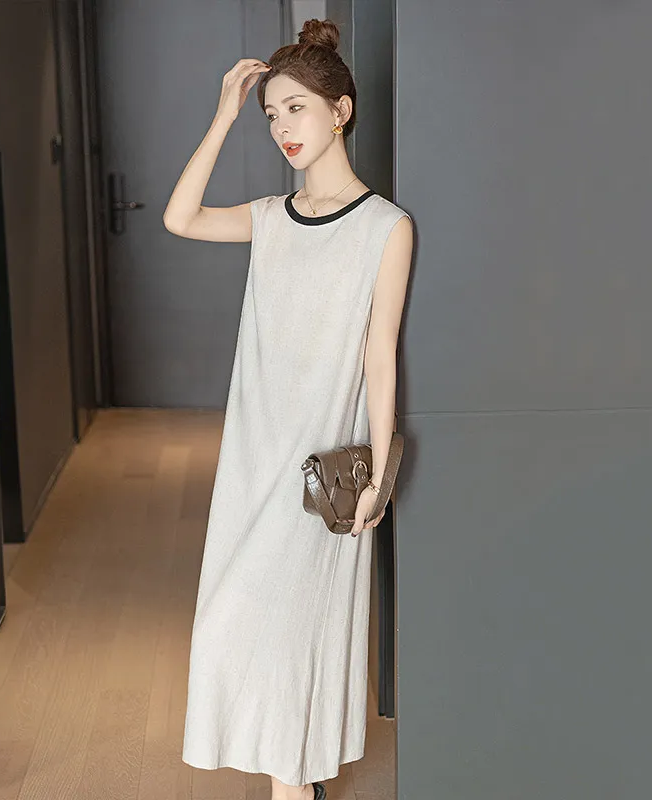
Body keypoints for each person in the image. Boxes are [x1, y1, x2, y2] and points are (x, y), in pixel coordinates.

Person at [162, 17, 413, 800]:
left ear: (342, 110)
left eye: (296, 108)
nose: (282, 128)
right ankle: (294, 785)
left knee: (297, 627)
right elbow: (180, 218)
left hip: (322, 470)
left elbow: (380, 356)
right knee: (233, 622)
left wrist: (379, 477)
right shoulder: (270, 218)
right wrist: (222, 115)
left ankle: (292, 786)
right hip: (252, 460)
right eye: (272, 114)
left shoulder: (385, 227)